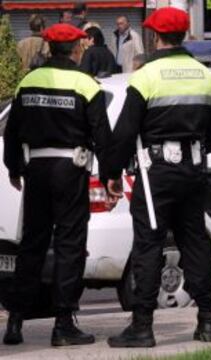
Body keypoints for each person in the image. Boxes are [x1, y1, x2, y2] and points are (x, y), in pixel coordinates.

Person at [105, 7, 211, 348]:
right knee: (194, 242)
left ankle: (142, 327)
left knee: (149, 245)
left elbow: (125, 129)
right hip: (193, 169)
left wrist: (111, 173)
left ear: (156, 37)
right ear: (185, 35)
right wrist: (198, 147)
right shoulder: (205, 74)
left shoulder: (146, 76)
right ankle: (207, 321)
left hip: (155, 173)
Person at [2, 23, 113, 347]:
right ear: (77, 48)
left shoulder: (28, 81)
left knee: (32, 245)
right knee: (69, 245)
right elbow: (101, 135)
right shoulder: (85, 83)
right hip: (70, 170)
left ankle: (16, 322)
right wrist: (109, 176)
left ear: (49, 47)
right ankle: (63, 323)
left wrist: (14, 168)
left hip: (36, 169)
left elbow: (12, 132)